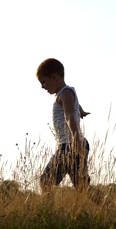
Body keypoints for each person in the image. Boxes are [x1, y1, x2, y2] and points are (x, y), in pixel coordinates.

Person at [36, 58, 92, 194]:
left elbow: (69, 116)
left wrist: (76, 137)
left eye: (43, 81)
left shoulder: (65, 94)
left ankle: (48, 213)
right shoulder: (66, 93)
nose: (42, 86)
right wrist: (81, 110)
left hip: (69, 146)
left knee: (45, 181)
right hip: (73, 144)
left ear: (54, 77)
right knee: (83, 188)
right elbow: (74, 106)